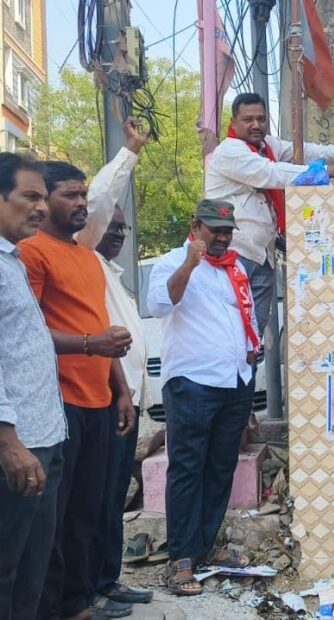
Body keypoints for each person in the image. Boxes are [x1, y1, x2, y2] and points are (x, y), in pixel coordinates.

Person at [19, 161, 137, 620]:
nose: (82, 203)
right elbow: (29, 332)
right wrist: (91, 344)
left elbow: (99, 327)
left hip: (99, 400)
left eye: (83, 194)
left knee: (89, 510)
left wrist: (122, 390)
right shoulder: (31, 252)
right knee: (57, 517)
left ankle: (78, 601)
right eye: (70, 194)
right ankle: (54, 608)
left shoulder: (87, 258)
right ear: (45, 200)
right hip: (59, 403)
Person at [147, 200, 261, 597]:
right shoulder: (171, 262)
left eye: (228, 231)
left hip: (236, 381)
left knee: (220, 468)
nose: (223, 237)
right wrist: (189, 265)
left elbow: (245, 316)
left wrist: (251, 357)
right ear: (196, 227)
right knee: (187, 469)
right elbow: (159, 304)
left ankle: (204, 549)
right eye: (215, 230)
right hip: (192, 382)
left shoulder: (235, 267)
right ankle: (180, 559)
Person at [72, 118, 154, 610]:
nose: (117, 233)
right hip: (99, 399)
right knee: (93, 501)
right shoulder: (80, 251)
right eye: (112, 227)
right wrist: (129, 153)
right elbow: (100, 201)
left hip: (125, 401)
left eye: (124, 229)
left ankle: (107, 579)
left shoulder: (106, 270)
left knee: (111, 499)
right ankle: (89, 591)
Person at [205, 92, 334, 337]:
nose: (256, 125)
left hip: (261, 254)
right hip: (232, 254)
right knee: (230, 331)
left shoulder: (267, 146)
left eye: (261, 119)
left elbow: (303, 151)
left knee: (254, 332)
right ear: (233, 122)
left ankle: (250, 362)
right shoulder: (230, 151)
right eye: (248, 120)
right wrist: (328, 172)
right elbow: (272, 174)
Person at [0, 153, 68, 620]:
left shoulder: (13, 260)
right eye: (30, 196)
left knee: (31, 569)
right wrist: (8, 442)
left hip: (45, 436)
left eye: (43, 197)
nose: (42, 207)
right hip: (18, 443)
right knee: (6, 570)